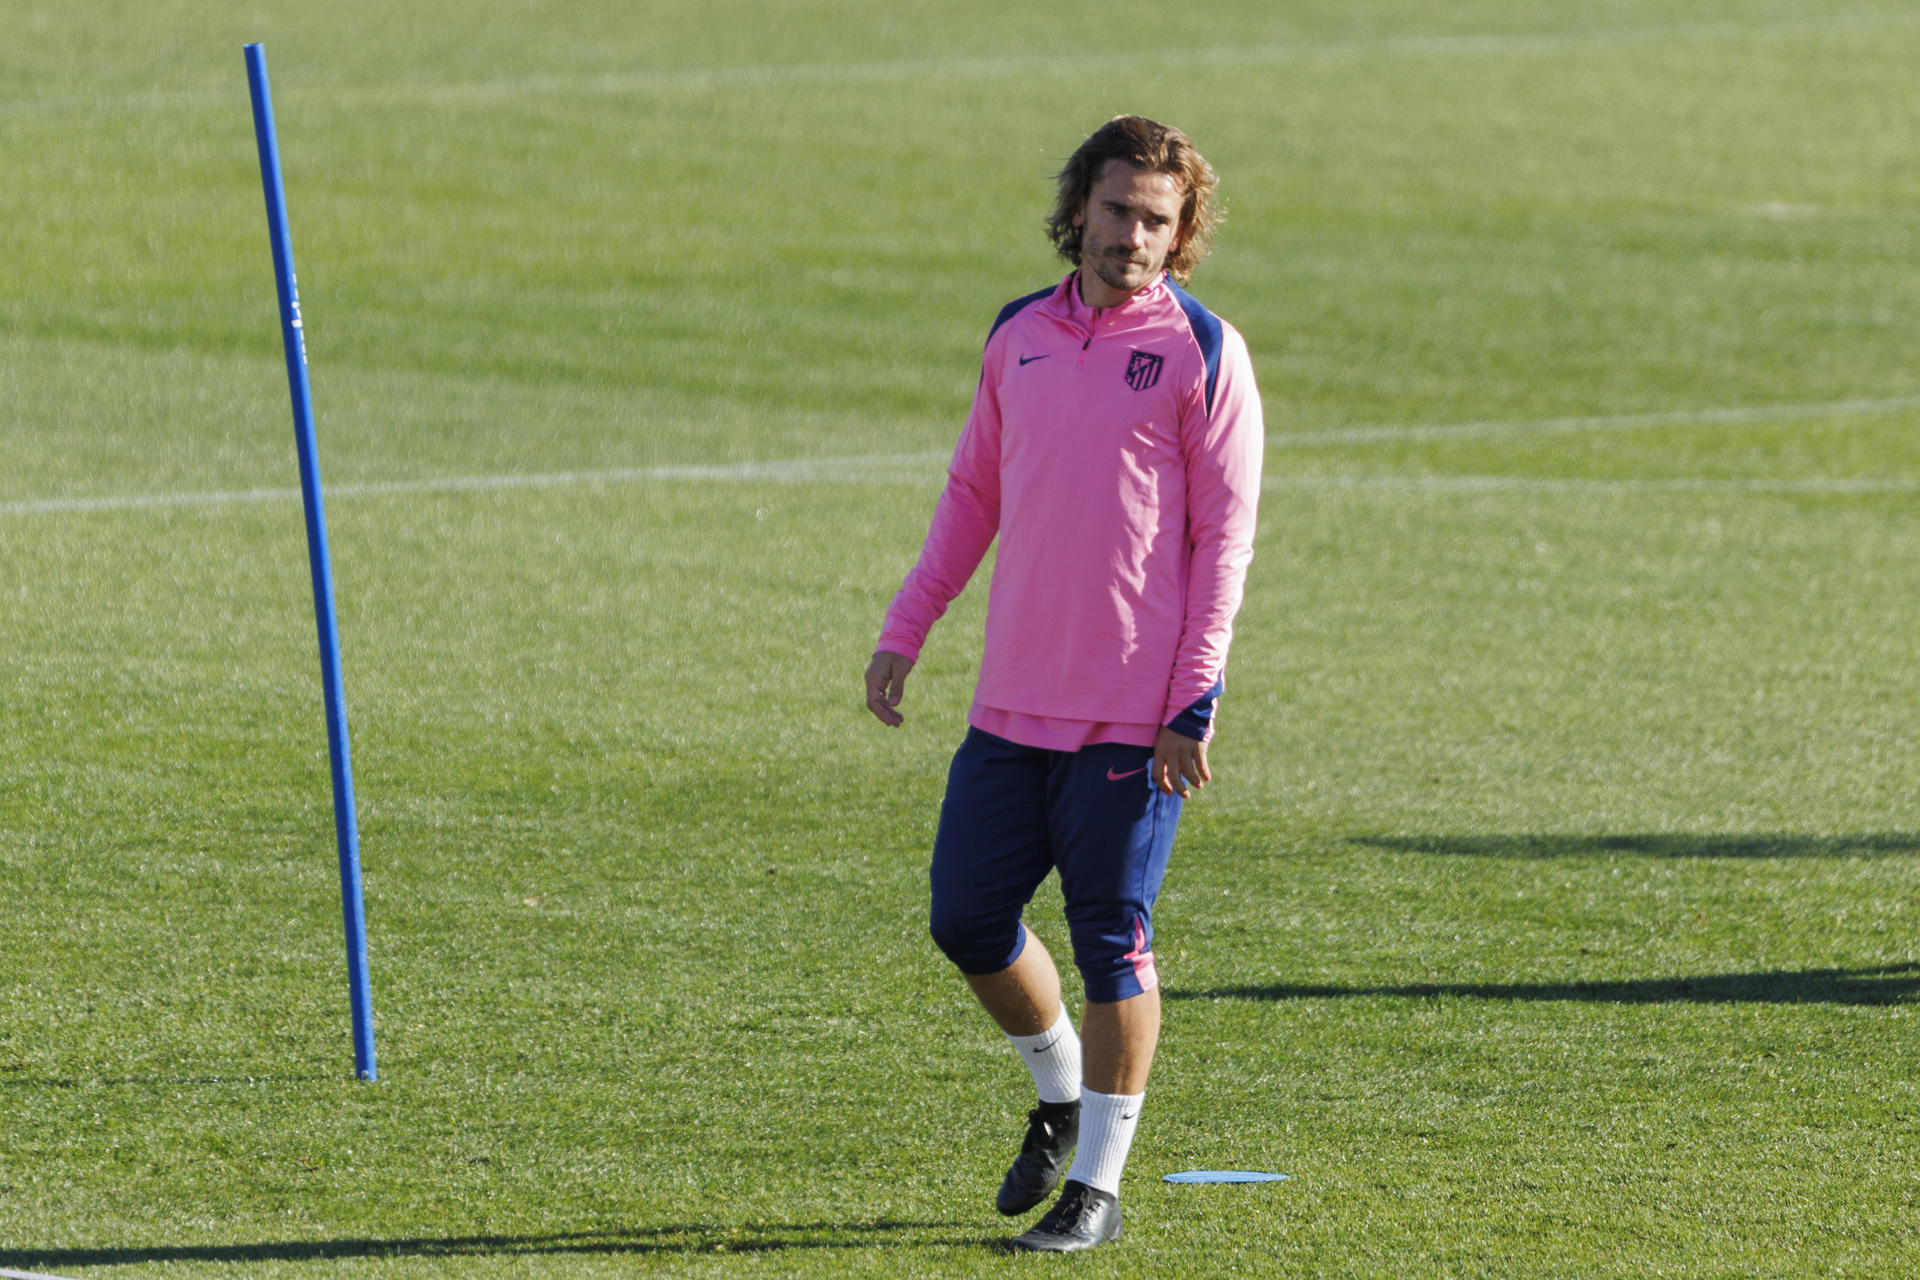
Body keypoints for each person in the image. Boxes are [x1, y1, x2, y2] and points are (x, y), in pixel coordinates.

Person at [862, 114, 1264, 1253]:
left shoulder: (1201, 352)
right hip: (1011, 703)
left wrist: (1194, 701)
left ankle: (1096, 1182)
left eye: (1156, 218)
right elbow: (971, 496)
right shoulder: (1018, 335)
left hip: (1134, 718)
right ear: (1077, 208)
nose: (1130, 234)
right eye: (1115, 209)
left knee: (1111, 937)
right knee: (967, 916)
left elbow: (1222, 543)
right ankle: (1057, 1091)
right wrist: (908, 626)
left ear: (1181, 232)